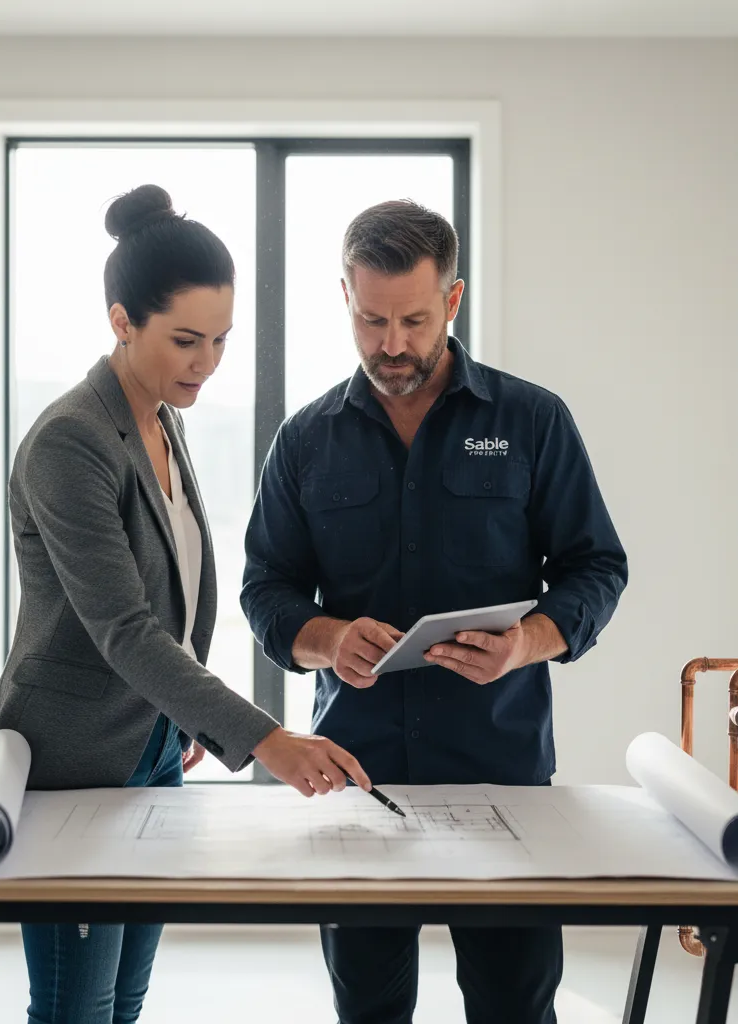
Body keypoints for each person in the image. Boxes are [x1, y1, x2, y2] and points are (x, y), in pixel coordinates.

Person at [0, 184, 372, 1024]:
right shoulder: (70, 441)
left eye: (222, 341)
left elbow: (176, 596)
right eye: (185, 340)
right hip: (75, 757)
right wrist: (265, 738)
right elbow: (123, 626)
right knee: (76, 1010)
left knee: (125, 1000)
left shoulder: (161, 417)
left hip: (151, 744)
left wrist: (183, 719)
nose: (207, 362)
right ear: (122, 321)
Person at [241, 199, 628, 1024]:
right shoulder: (305, 440)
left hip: (504, 776)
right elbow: (265, 588)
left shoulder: (532, 420)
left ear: (452, 302)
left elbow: (597, 566)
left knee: (515, 1008)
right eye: (371, 319)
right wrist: (327, 639)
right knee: (369, 1011)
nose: (392, 344)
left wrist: (527, 642)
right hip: (355, 780)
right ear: (343, 296)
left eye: (414, 320)